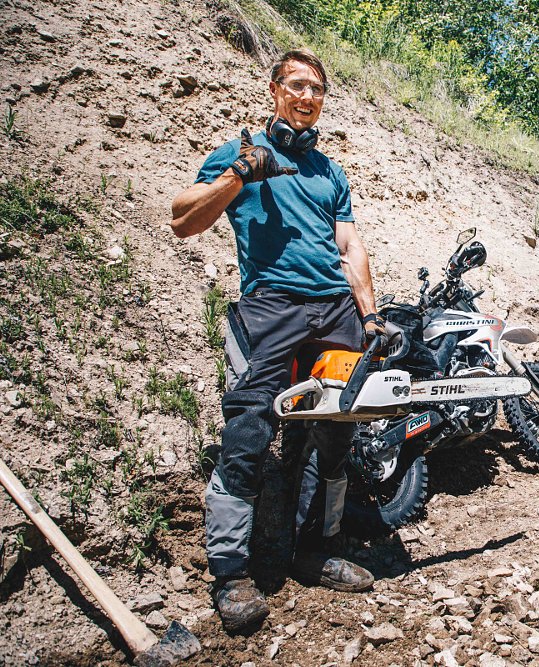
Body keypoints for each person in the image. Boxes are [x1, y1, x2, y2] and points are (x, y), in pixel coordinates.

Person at [171, 49, 385, 634]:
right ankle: (231, 574)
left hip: (336, 315)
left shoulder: (330, 172)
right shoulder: (238, 154)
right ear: (274, 90)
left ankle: (317, 550)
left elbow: (349, 247)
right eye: (296, 85)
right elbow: (183, 220)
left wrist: (369, 316)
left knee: (335, 437)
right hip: (269, 311)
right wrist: (241, 174)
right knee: (247, 434)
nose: (307, 96)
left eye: (317, 89)